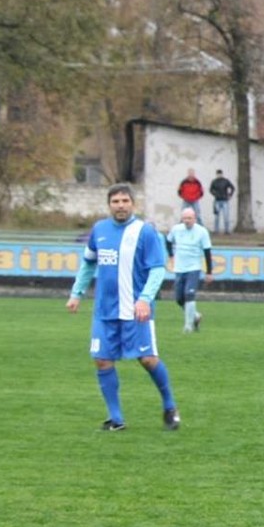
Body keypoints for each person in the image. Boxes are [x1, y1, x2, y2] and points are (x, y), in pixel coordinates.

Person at [66, 183, 179, 432]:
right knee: (102, 360)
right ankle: (116, 419)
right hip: (104, 311)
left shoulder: (145, 232)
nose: (120, 206)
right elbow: (88, 263)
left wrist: (144, 299)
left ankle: (170, 406)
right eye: (115, 201)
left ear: (133, 204)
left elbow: (157, 269)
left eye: (125, 201)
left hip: (136, 311)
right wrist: (76, 293)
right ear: (109, 205)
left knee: (147, 359)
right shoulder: (99, 229)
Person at [166, 207, 213, 334]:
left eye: (189, 218)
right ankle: (195, 316)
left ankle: (188, 326)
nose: (187, 221)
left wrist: (209, 272)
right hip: (179, 268)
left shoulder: (202, 231)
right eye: (185, 218)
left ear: (195, 219)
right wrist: (171, 255)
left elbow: (207, 251)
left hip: (194, 268)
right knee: (179, 298)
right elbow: (168, 241)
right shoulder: (176, 229)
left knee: (189, 294)